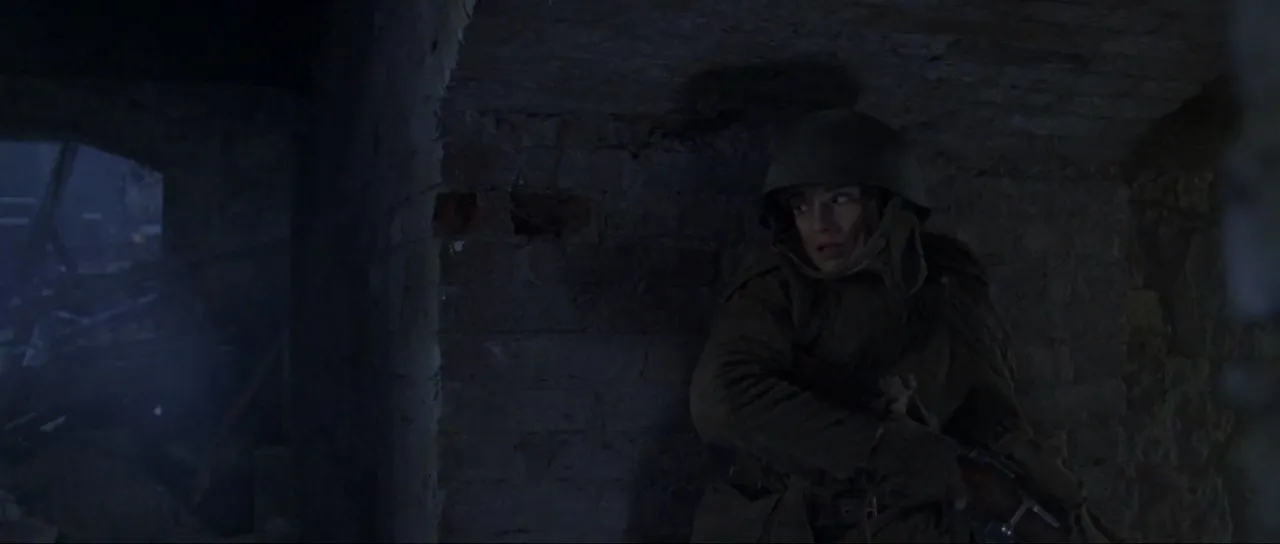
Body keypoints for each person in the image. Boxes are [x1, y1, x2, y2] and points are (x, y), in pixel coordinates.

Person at [688, 108, 1118, 543]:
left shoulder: (944, 283)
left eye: (840, 200)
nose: (820, 225)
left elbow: (988, 411)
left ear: (885, 204)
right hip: (800, 524)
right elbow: (724, 401)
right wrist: (895, 450)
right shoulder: (777, 289)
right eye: (802, 207)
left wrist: (1035, 486)